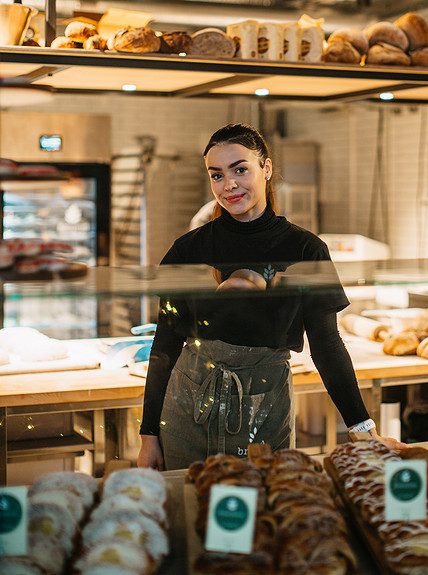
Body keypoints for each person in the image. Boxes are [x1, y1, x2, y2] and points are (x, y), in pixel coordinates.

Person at [138, 122, 405, 471]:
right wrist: (148, 436)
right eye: (216, 175)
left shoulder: (304, 248)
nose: (228, 184)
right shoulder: (189, 248)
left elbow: (327, 346)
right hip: (188, 408)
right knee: (191, 511)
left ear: (266, 169)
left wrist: (363, 430)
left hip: (266, 407)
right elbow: (165, 345)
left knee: (265, 509)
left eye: (240, 170)